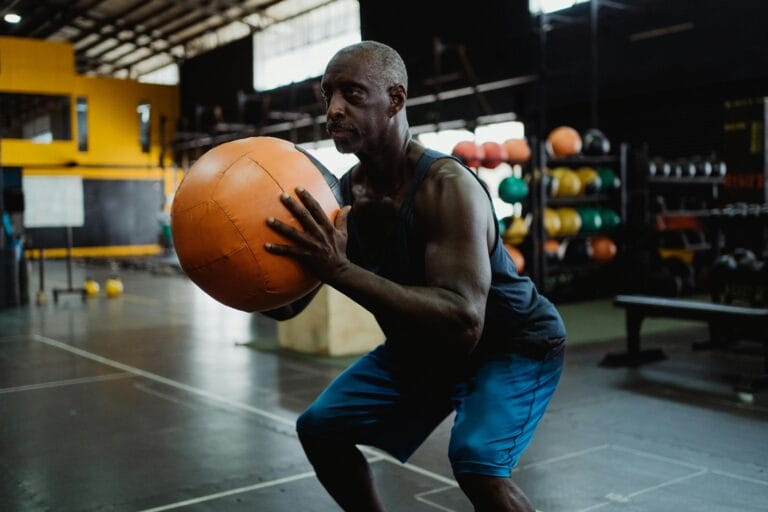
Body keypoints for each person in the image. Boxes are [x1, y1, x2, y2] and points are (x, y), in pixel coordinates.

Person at [264, 41, 566, 512]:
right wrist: (237, 268)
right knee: (320, 428)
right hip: (425, 348)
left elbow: (464, 320)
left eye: (352, 94)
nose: (334, 110)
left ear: (396, 100)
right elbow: (287, 306)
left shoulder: (449, 188)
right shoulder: (344, 198)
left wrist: (339, 270)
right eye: (328, 96)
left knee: (476, 461)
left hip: (511, 344)